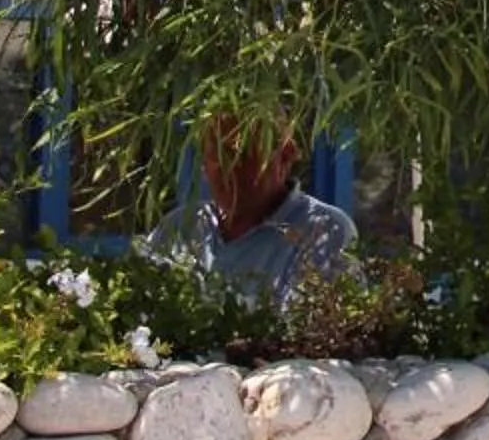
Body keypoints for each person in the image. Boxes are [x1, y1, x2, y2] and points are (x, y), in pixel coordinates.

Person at [143, 117, 360, 308]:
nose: (227, 168)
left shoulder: (323, 230)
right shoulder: (182, 227)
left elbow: (320, 337)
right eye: (216, 153)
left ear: (285, 157)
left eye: (240, 153)